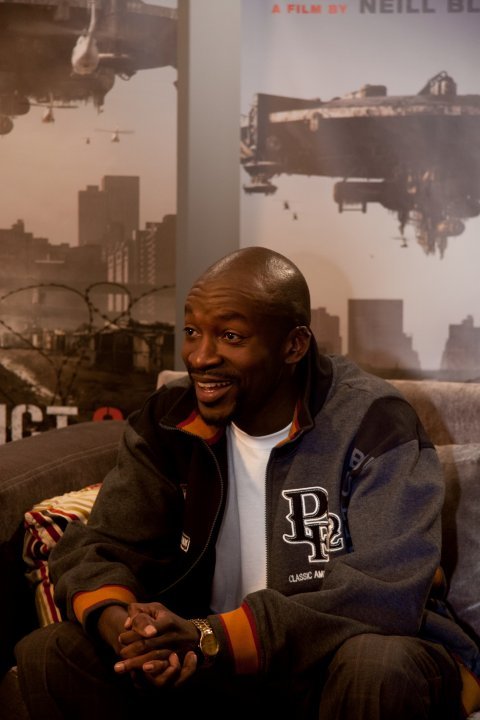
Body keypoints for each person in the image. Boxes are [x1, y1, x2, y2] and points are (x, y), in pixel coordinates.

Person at [15, 246, 480, 720]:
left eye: (230, 336)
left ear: (293, 345)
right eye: (192, 331)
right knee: (53, 653)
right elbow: (101, 547)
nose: (200, 356)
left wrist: (212, 636)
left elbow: (383, 593)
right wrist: (131, 632)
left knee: (377, 664)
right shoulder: (170, 418)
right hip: (210, 663)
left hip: (329, 661)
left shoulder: (373, 420)